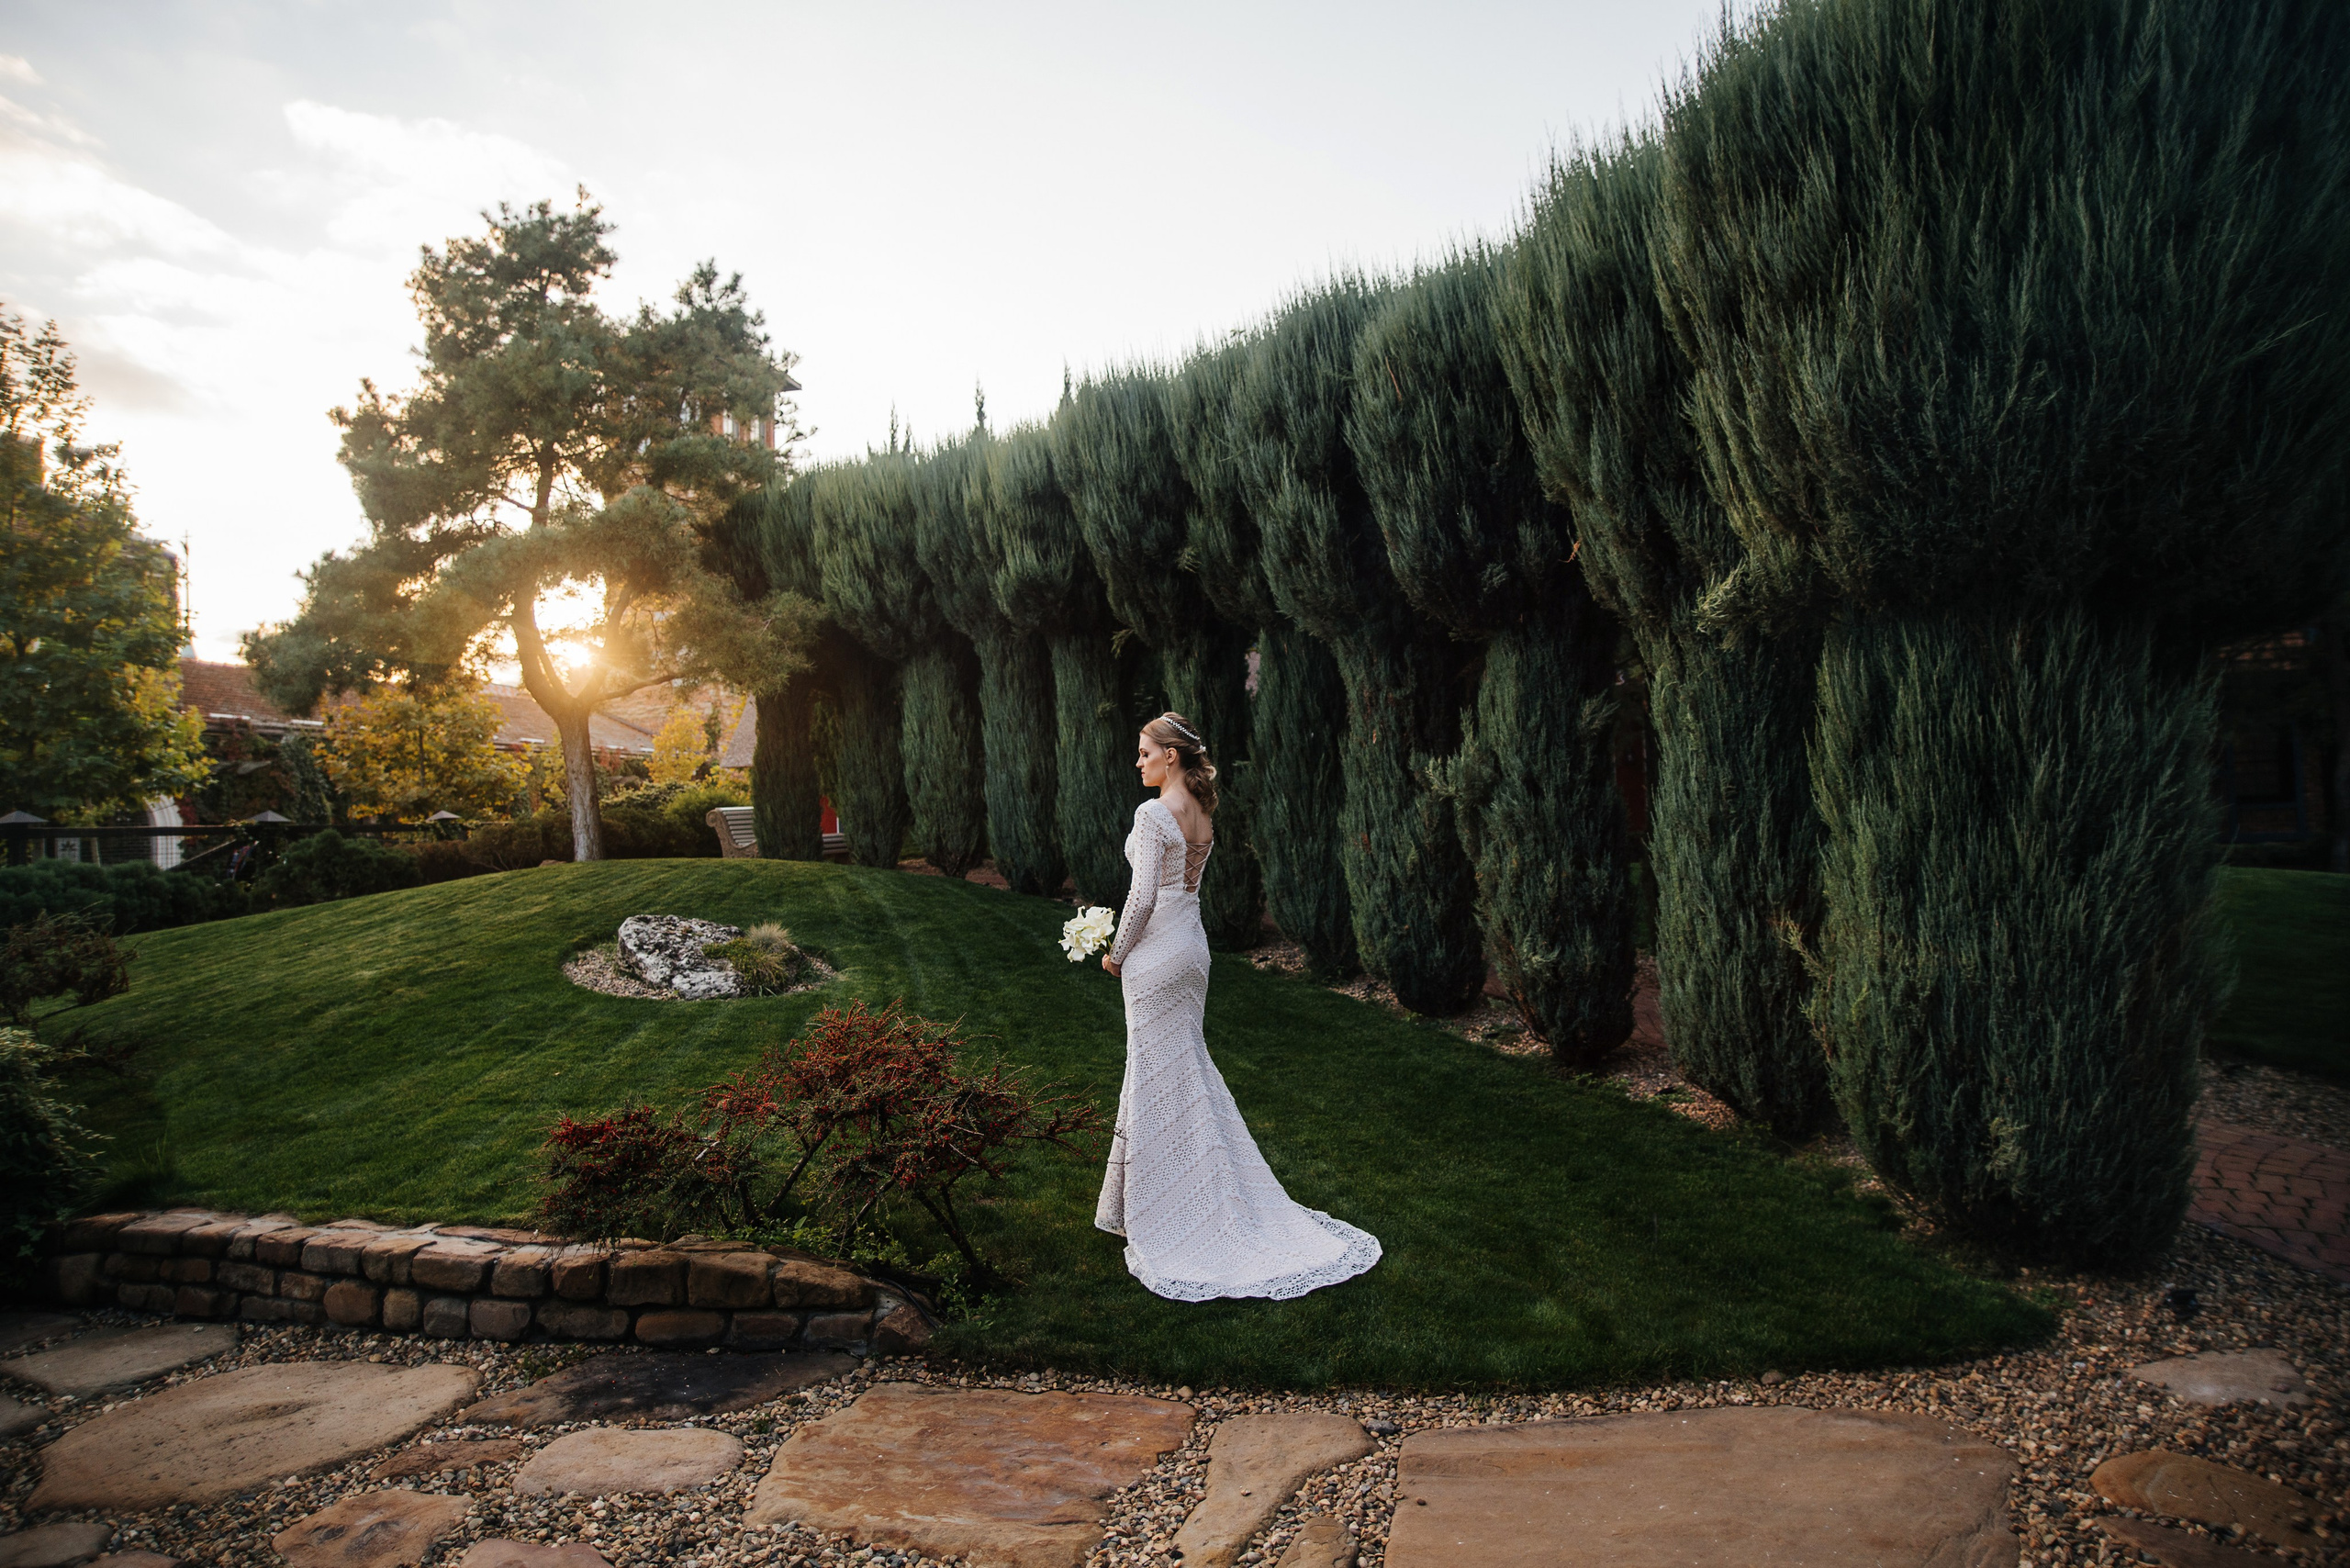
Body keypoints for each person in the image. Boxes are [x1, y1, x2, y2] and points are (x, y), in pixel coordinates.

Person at [1093, 711, 1381, 1301]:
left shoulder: (1153, 813)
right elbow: (1182, 890)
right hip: (1192, 949)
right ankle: (1160, 1192)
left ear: (1171, 755)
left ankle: (1168, 1206)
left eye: (1146, 752)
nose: (1139, 761)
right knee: (1182, 1064)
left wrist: (1117, 952)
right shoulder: (1202, 813)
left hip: (1156, 954)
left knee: (1155, 1069)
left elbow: (1143, 896)